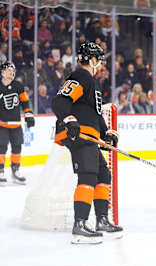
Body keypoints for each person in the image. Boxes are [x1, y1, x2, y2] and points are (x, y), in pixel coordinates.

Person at [51, 42, 123, 244]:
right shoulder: (80, 76)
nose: (100, 62)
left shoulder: (92, 81)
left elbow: (95, 113)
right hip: (79, 134)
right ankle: (79, 225)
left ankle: (101, 220)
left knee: (102, 174)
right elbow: (59, 101)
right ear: (91, 59)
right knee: (88, 175)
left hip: (88, 134)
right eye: (98, 58)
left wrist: (106, 132)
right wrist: (69, 120)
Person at [0, 61, 35, 185]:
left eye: (13, 70)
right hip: (1, 124)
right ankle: (0, 171)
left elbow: (25, 102)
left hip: (15, 123)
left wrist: (28, 114)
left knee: (17, 147)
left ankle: (15, 170)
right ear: (2, 72)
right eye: (9, 69)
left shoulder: (18, 86)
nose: (12, 72)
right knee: (1, 147)